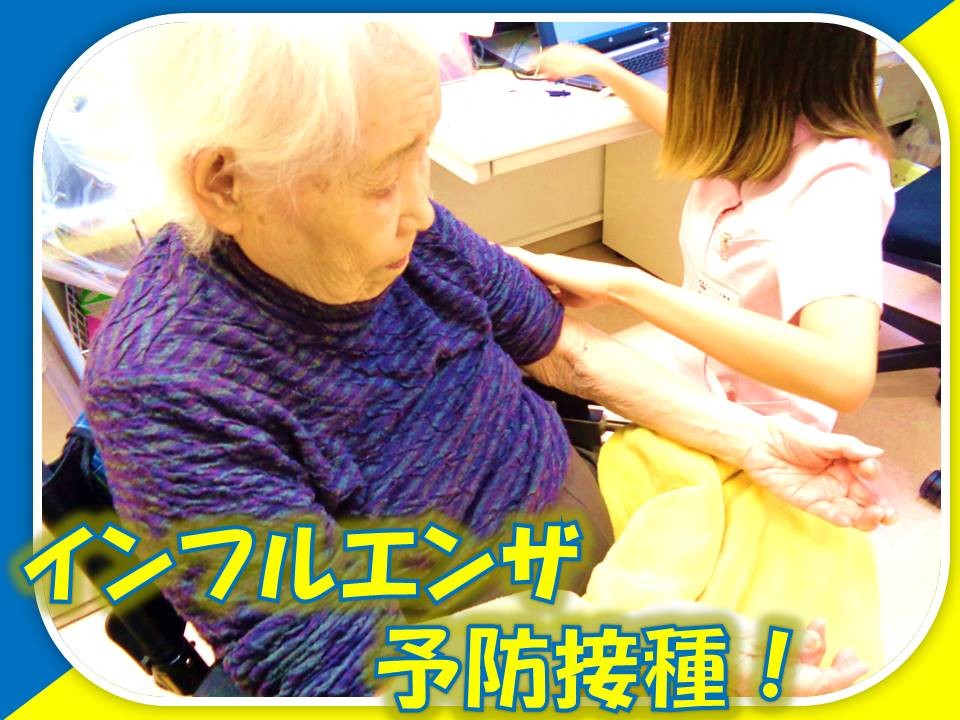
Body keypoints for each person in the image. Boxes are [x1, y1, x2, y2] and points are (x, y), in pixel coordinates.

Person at [80, 19, 889, 697]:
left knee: (814, 542)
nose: (423, 210)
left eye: (421, 156)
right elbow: (336, 670)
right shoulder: (169, 386)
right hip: (463, 632)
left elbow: (566, 349)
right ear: (225, 183)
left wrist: (750, 441)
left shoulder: (411, 235)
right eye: (380, 181)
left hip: (586, 502)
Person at [510, 22, 895, 432]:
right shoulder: (756, 128)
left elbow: (844, 374)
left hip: (761, 425)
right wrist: (603, 68)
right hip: (691, 375)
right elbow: (690, 132)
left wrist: (623, 287)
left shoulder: (840, 183)